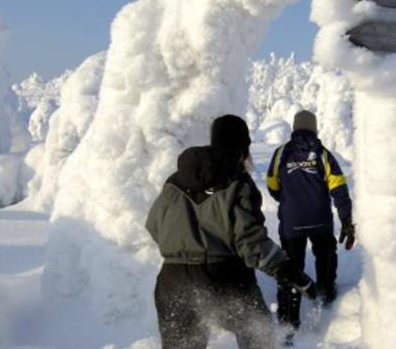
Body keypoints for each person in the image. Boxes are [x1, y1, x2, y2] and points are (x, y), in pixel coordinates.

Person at [146, 114, 316, 349]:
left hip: (172, 281)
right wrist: (290, 272)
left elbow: (154, 225)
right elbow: (252, 244)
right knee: (259, 336)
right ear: (241, 151)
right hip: (224, 277)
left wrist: (186, 246)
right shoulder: (238, 183)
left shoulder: (174, 181)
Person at [266, 110, 355, 337]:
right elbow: (339, 188)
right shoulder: (323, 154)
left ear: (294, 128)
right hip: (320, 220)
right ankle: (326, 295)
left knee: (290, 266)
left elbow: (272, 185)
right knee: (325, 255)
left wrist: (288, 200)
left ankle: (288, 320)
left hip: (291, 223)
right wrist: (346, 219)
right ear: (314, 128)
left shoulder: (281, 153)